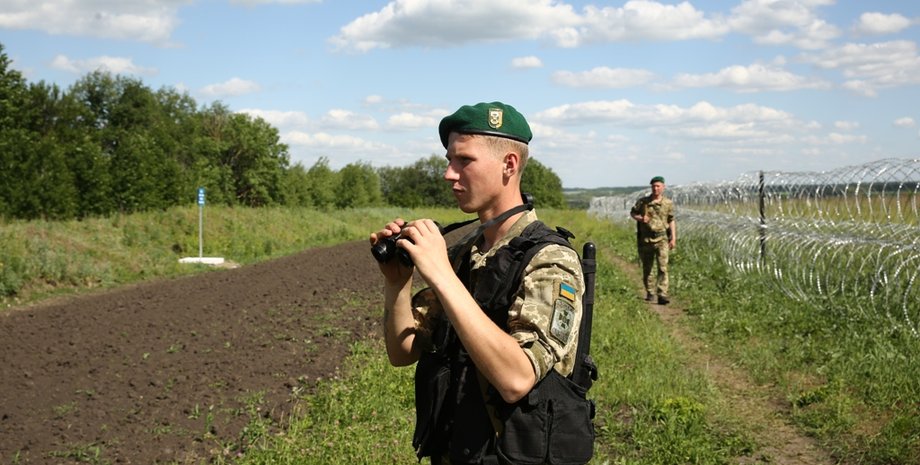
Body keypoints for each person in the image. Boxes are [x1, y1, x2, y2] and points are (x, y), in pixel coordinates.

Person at [370, 102, 589, 464]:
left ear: (509, 165)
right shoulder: (464, 255)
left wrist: (440, 273)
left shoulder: (550, 260)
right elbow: (402, 353)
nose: (448, 174)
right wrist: (397, 284)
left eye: (464, 161)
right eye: (448, 160)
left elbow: (517, 378)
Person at [630, 175, 676, 305]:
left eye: (658, 186)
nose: (656, 188)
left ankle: (662, 294)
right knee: (648, 268)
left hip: (662, 238)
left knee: (663, 268)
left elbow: (671, 220)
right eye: (654, 186)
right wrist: (640, 218)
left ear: (663, 187)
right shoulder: (643, 202)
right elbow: (633, 213)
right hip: (646, 239)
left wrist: (673, 238)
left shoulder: (667, 203)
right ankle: (650, 292)